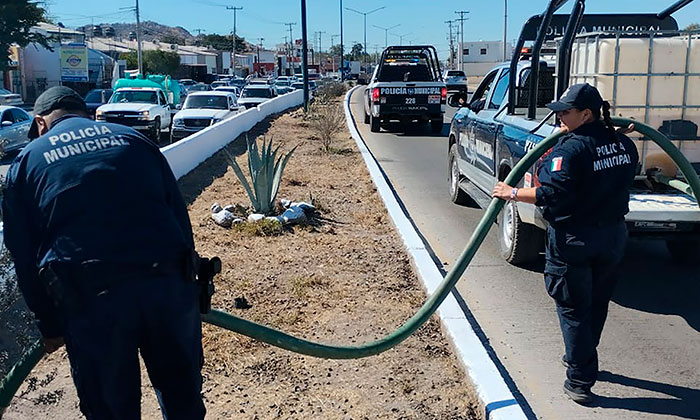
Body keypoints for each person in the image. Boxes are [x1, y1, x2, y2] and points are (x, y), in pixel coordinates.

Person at [2, 86, 205, 419]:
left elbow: (23, 254)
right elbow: (179, 219)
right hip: (168, 286)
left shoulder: (28, 160)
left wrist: (49, 324)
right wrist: (187, 289)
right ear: (88, 114)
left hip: (94, 303)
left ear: (40, 123)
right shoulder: (135, 140)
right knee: (183, 401)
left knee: (112, 410)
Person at [492, 83, 638, 405]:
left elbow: (551, 193)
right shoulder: (625, 145)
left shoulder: (569, 150)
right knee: (597, 303)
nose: (559, 115)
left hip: (575, 239)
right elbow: (627, 174)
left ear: (586, 114)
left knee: (572, 307)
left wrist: (511, 193)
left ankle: (579, 380)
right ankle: (583, 357)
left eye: (566, 111)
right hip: (612, 237)